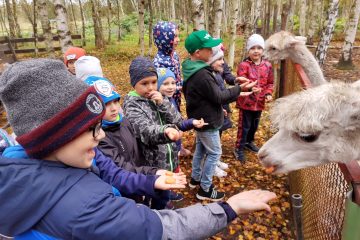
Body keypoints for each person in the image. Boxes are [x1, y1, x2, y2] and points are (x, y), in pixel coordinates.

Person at [0, 58, 276, 239]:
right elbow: (159, 228)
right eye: (90, 129)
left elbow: (116, 172)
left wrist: (151, 178)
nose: (98, 137)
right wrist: (229, 208)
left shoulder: (30, 166)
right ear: (55, 135)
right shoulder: (85, 207)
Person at [182, 30, 257, 201]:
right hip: (207, 122)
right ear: (198, 53)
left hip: (202, 119)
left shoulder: (193, 69)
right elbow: (219, 97)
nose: (212, 51)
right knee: (215, 153)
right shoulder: (202, 74)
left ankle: (195, 179)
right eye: (209, 48)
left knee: (201, 150)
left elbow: (207, 97)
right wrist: (240, 89)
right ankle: (205, 188)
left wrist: (217, 108)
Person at [153, 21, 192, 157]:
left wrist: (182, 84)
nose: (178, 40)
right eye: (174, 37)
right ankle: (172, 151)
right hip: (166, 100)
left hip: (175, 97)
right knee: (170, 123)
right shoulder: (159, 61)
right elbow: (160, 86)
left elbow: (177, 76)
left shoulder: (174, 55)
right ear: (164, 39)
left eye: (178, 36)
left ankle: (178, 147)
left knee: (177, 119)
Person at [234, 34, 274, 163]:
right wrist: (250, 89)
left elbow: (270, 82)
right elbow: (240, 82)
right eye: (253, 48)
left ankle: (249, 142)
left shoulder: (267, 65)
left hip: (260, 102)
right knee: (244, 126)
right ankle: (238, 147)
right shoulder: (244, 65)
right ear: (248, 50)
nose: (256, 51)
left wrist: (268, 93)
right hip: (246, 102)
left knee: (254, 125)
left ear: (263, 50)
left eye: (259, 48)